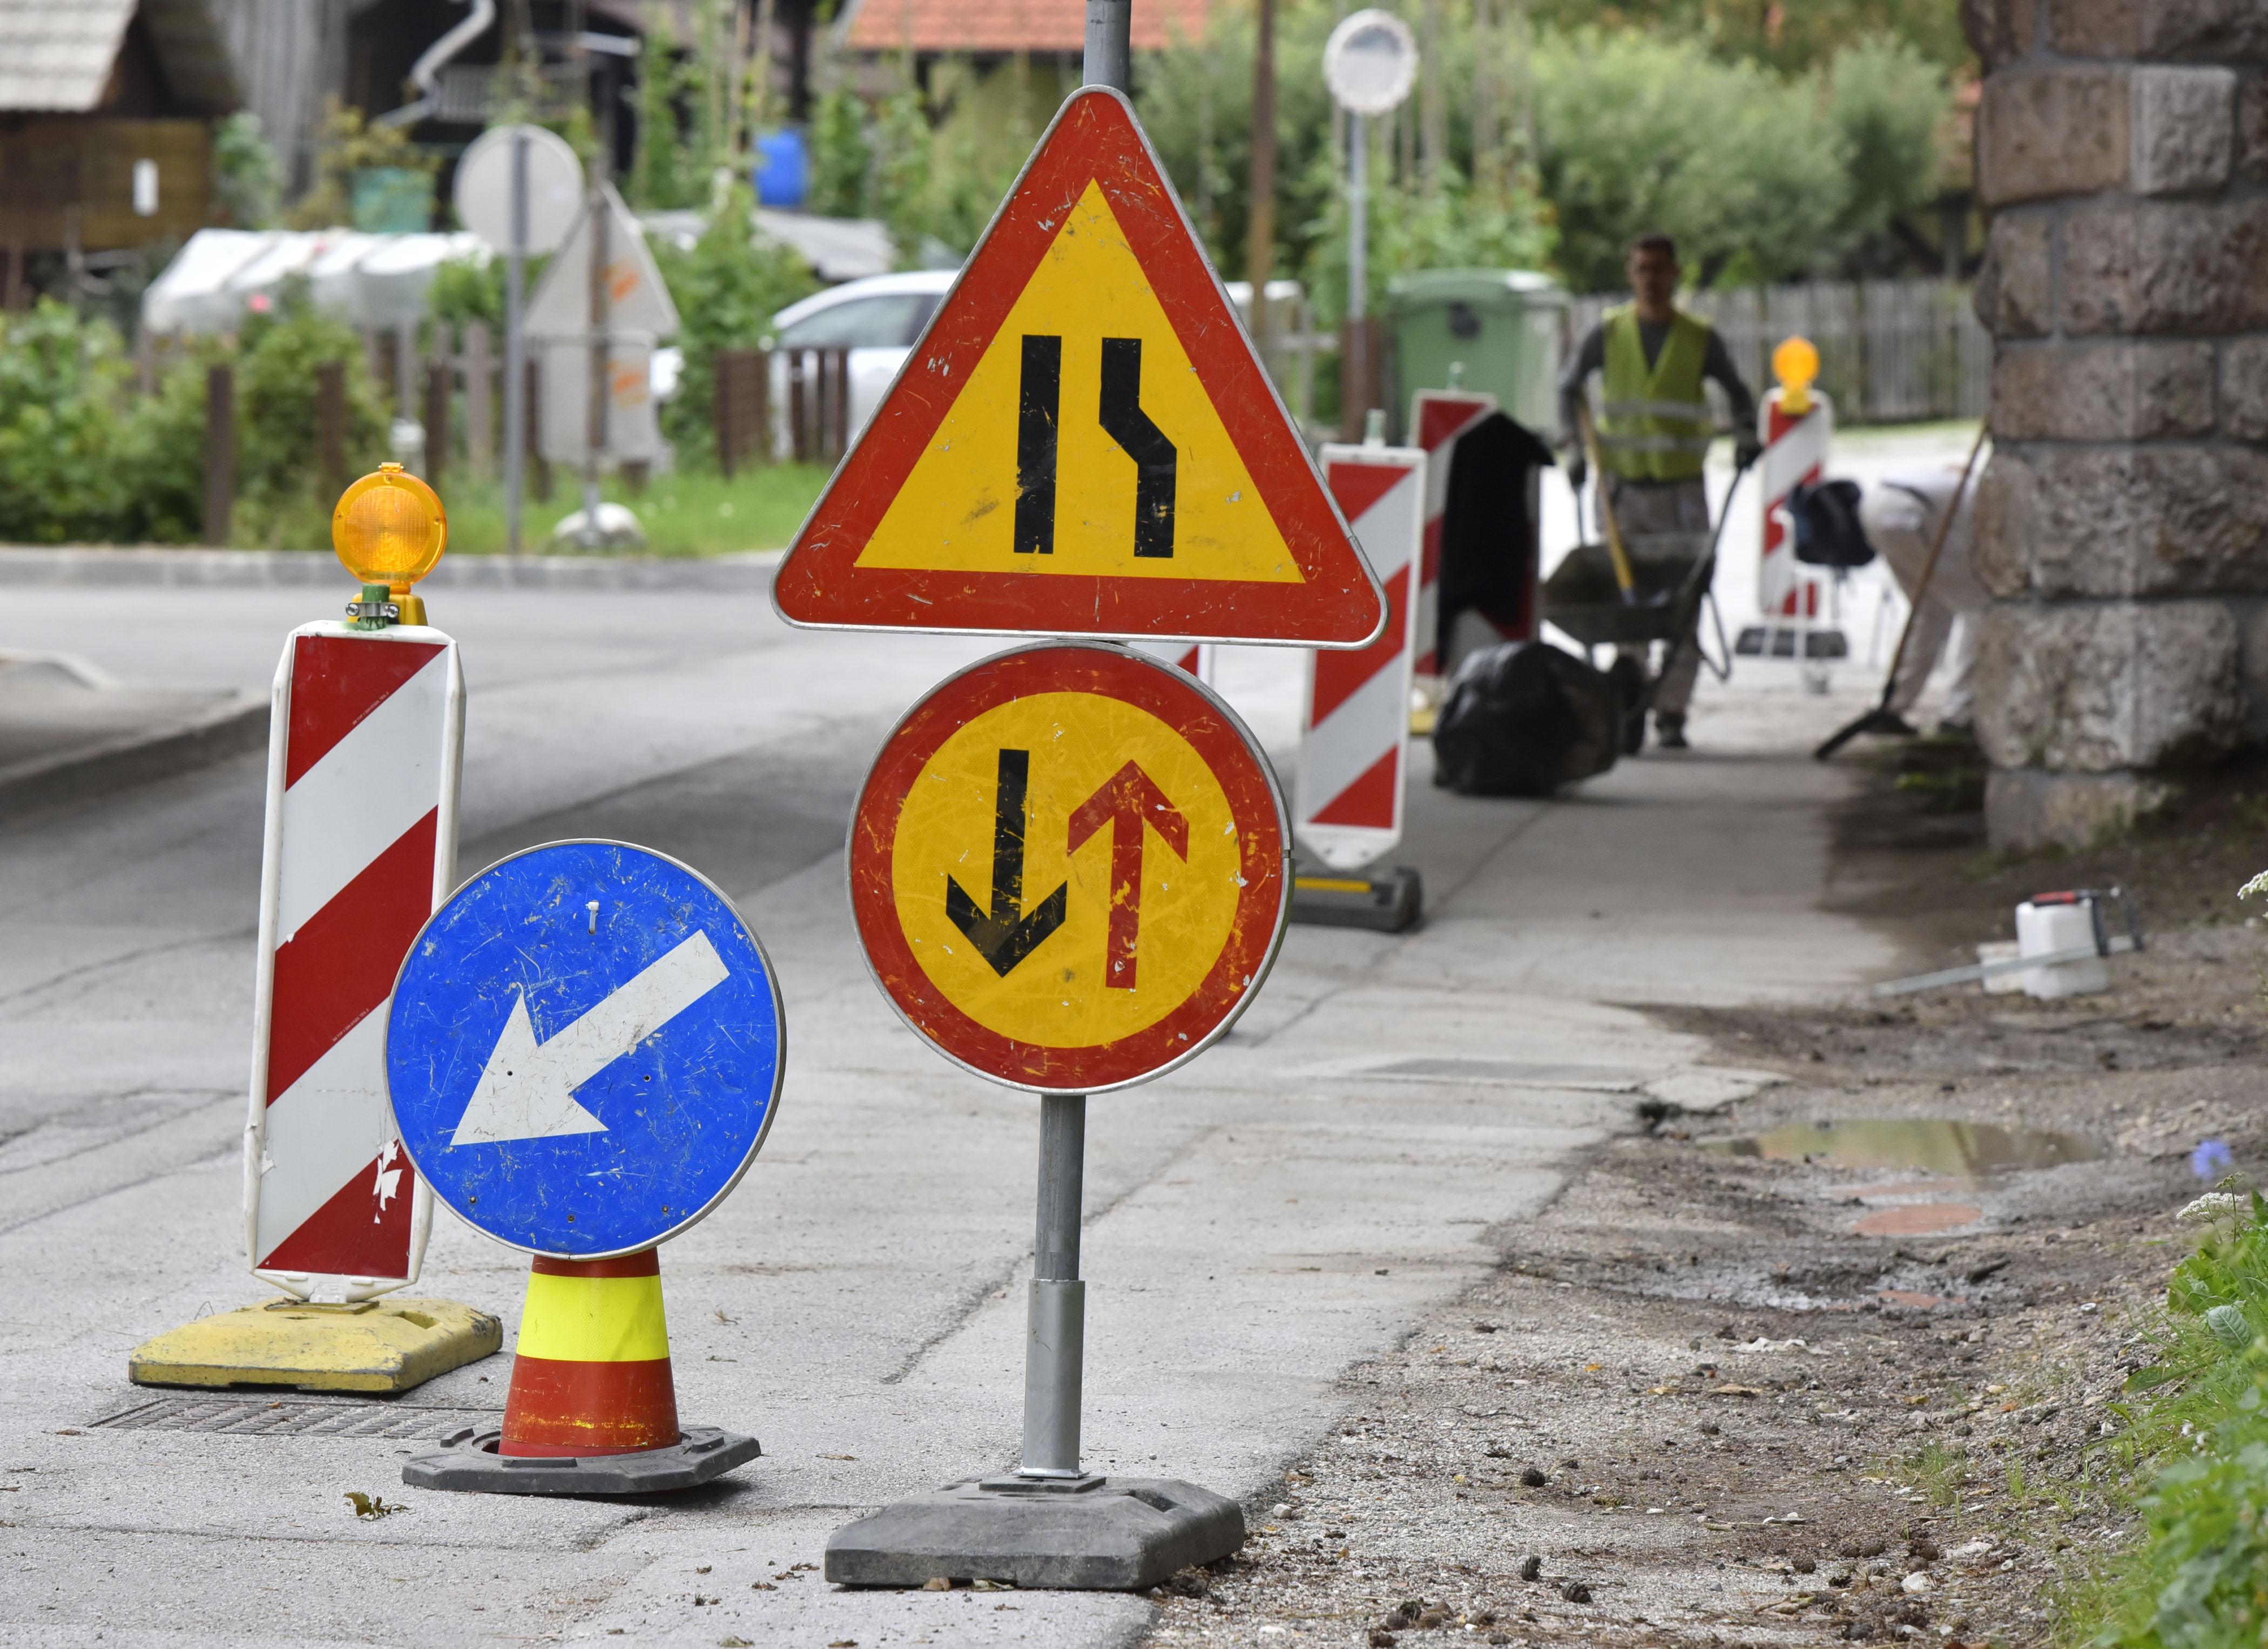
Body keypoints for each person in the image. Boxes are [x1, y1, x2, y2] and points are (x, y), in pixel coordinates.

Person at [1558, 233, 1760, 749]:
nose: (1651, 278)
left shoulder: (1698, 339)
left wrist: (1745, 437)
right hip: (1623, 491)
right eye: (1642, 268)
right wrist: (1575, 452)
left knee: (1682, 603)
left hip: (1681, 492)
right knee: (1626, 603)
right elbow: (1568, 388)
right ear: (1631, 274)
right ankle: (1629, 701)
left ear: (1675, 274)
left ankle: (1672, 710)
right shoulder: (1607, 335)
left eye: (1660, 269)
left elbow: (1739, 393)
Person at [1858, 464, 1985, 738]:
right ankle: (1959, 714)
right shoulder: (1982, 493)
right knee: (1980, 608)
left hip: (1876, 507)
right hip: (1910, 513)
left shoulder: (1952, 484)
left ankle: (1890, 706)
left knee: (1929, 611)